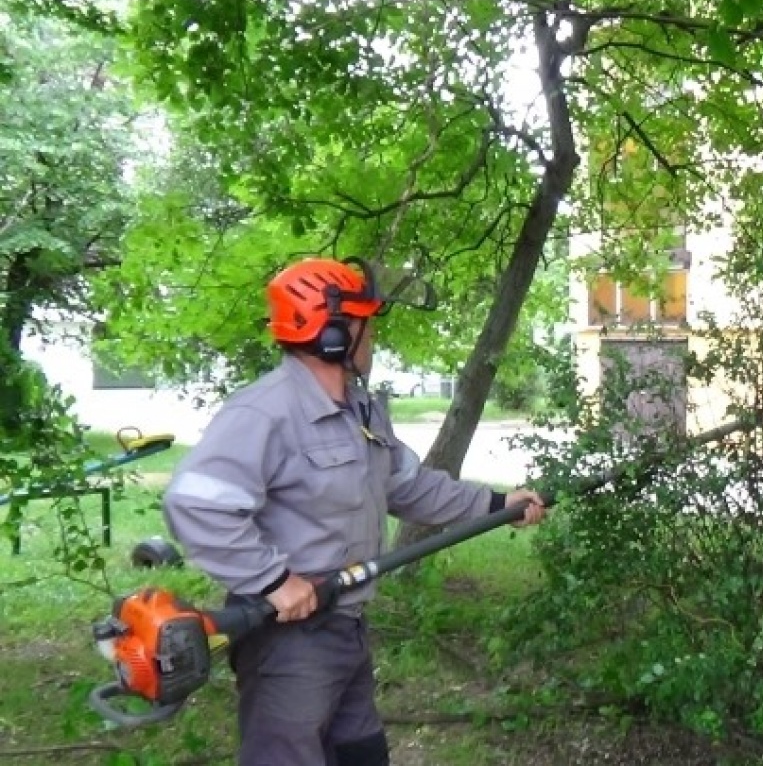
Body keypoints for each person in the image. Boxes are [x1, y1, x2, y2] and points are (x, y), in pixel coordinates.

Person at [162, 257, 546, 766]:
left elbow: (408, 486)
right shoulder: (266, 411)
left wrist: (497, 504)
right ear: (334, 334)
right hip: (290, 644)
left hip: (346, 626)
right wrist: (274, 581)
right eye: (366, 324)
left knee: (360, 753)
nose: (374, 339)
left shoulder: (359, 410)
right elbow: (194, 502)